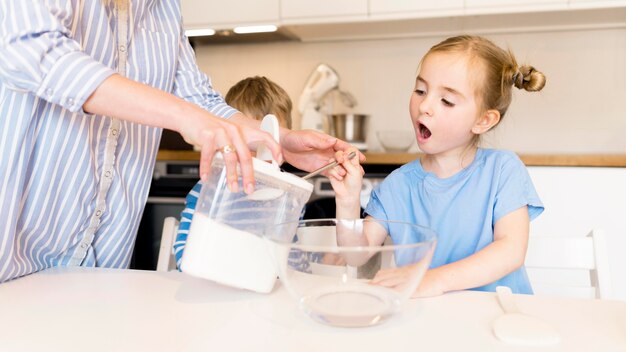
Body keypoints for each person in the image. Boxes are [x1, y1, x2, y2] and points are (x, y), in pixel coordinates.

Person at [0, 0, 359, 283]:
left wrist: (278, 140)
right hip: (13, 265)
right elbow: (30, 48)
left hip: (101, 270)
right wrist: (188, 119)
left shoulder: (162, 7)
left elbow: (195, 95)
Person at [329, 35, 546, 296]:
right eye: (420, 90)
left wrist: (433, 280)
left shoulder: (503, 170)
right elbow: (357, 255)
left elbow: (510, 251)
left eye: (447, 101)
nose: (425, 105)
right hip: (429, 320)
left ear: (484, 120)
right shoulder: (398, 185)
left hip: (499, 317)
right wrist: (348, 202)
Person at [173, 76, 294, 268]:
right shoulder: (209, 189)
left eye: (267, 144)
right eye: (249, 143)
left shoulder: (289, 196)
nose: (255, 155)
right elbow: (184, 253)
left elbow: (293, 259)